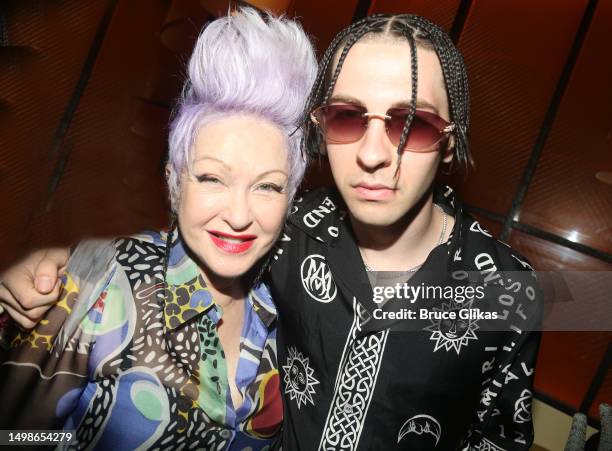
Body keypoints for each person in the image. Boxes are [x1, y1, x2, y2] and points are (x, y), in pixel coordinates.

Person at [1, 13, 542, 451]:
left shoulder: (508, 289)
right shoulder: (293, 237)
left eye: (413, 124)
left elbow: (500, 435)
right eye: (349, 117)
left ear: (451, 140)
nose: (376, 154)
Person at [0, 8, 316, 450]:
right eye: (211, 178)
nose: (240, 215)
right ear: (173, 181)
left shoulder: (290, 312)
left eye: (267, 186)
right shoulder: (101, 283)